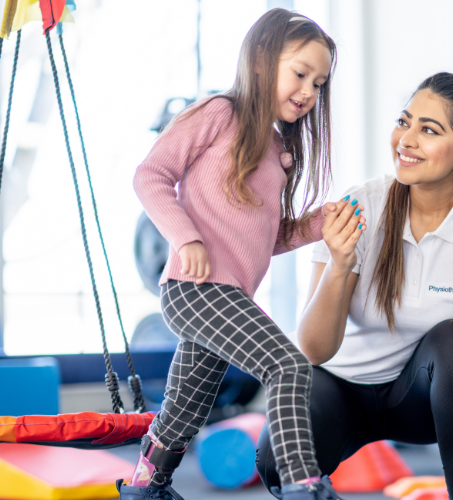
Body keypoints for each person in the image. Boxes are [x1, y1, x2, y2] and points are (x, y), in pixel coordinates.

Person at [257, 72, 453, 500]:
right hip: (341, 389)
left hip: (424, 401)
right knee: (275, 460)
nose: (406, 139)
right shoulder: (361, 207)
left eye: (428, 130)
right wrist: (339, 264)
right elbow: (314, 350)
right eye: (404, 122)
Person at [120, 9, 358, 500]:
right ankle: (302, 482)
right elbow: (151, 175)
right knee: (288, 366)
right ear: (260, 61)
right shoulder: (216, 113)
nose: (309, 91)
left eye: (319, 83)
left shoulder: (276, 151)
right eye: (299, 74)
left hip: (226, 295)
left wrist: (318, 223)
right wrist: (186, 238)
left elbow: (263, 237)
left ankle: (146, 485)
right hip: (195, 289)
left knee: (187, 404)